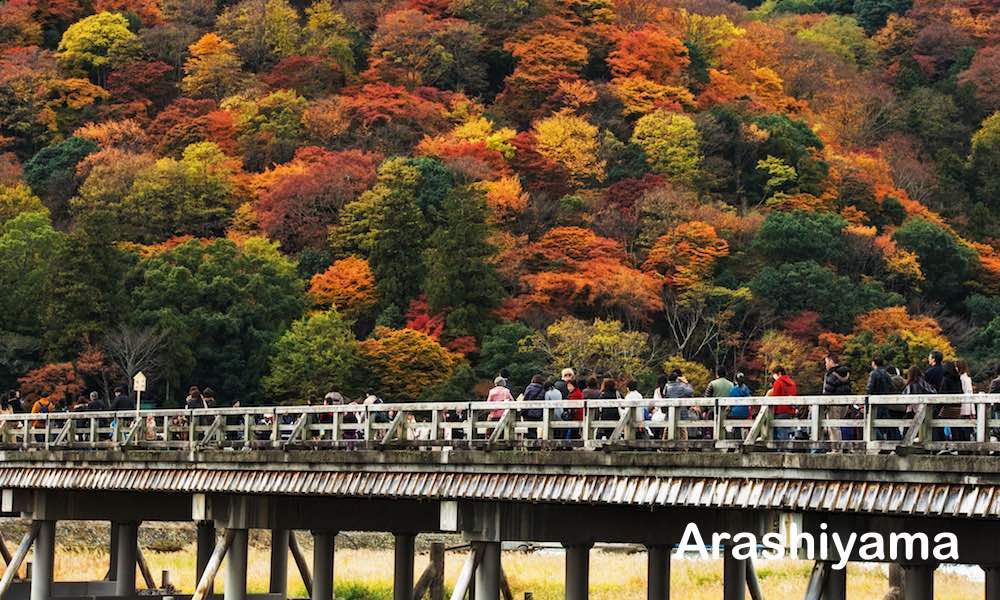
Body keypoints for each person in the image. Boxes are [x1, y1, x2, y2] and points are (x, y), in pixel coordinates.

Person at [867, 357, 901, 441]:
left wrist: (867, 399)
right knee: (884, 424)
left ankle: (881, 441)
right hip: (885, 402)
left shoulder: (873, 373)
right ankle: (887, 443)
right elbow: (892, 388)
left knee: (872, 423)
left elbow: (869, 388)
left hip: (875, 402)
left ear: (874, 363)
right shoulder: (887, 374)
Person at [822, 354, 853, 442]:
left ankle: (836, 448)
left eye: (826, 362)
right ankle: (841, 447)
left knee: (833, 427)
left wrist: (824, 404)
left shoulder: (831, 374)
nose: (826, 365)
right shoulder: (846, 373)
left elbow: (828, 390)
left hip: (834, 404)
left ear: (831, 362)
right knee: (839, 426)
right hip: (845, 404)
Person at [936, 361, 965, 442]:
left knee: (938, 423)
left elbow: (943, 392)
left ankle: (942, 442)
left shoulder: (946, 379)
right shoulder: (958, 378)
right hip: (957, 406)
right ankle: (957, 444)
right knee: (955, 426)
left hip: (948, 407)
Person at [769, 366, 797, 441]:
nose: (774, 376)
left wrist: (773, 411)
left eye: (774, 374)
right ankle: (788, 448)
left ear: (779, 373)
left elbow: (775, 398)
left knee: (781, 432)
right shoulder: (792, 383)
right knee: (788, 431)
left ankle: (782, 449)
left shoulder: (778, 382)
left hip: (780, 411)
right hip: (790, 410)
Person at [727, 373, 752, 439]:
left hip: (735, 413)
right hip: (744, 413)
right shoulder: (746, 389)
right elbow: (750, 399)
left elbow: (730, 402)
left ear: (736, 381)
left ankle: (737, 442)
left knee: (736, 428)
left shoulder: (733, 390)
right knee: (745, 427)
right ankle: (745, 441)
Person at [522, 375, 546, 439]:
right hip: (538, 412)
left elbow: (525, 399)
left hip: (529, 411)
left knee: (530, 428)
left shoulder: (529, 388)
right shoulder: (543, 389)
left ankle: (531, 445)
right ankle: (535, 444)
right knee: (536, 428)